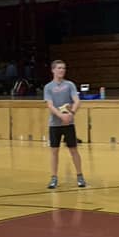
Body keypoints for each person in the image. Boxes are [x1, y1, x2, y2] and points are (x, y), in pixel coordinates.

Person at [44, 59, 85, 190]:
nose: (62, 70)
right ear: (53, 70)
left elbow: (77, 101)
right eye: (59, 68)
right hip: (55, 124)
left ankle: (80, 176)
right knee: (54, 151)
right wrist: (61, 116)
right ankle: (54, 178)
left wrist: (71, 113)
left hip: (69, 123)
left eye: (63, 68)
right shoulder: (48, 87)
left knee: (73, 150)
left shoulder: (70, 85)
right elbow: (50, 105)